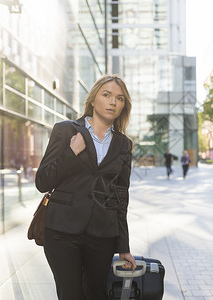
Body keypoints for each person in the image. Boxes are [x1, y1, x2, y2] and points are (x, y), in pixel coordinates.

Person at [35, 74, 137, 300]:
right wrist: (71, 154)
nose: (113, 102)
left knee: (96, 294)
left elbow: (122, 197)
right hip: (61, 231)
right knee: (70, 294)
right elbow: (42, 181)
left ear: (123, 106)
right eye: (107, 95)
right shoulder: (65, 131)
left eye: (119, 99)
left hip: (103, 233)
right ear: (93, 100)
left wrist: (124, 247)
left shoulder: (124, 145)